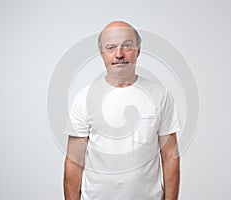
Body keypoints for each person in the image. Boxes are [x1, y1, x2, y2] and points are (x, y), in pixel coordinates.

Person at [64, 21, 182, 200]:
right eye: (111, 48)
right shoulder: (84, 98)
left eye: (127, 46)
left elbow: (170, 157)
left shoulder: (160, 96)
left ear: (138, 51)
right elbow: (74, 162)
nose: (119, 54)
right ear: (102, 54)